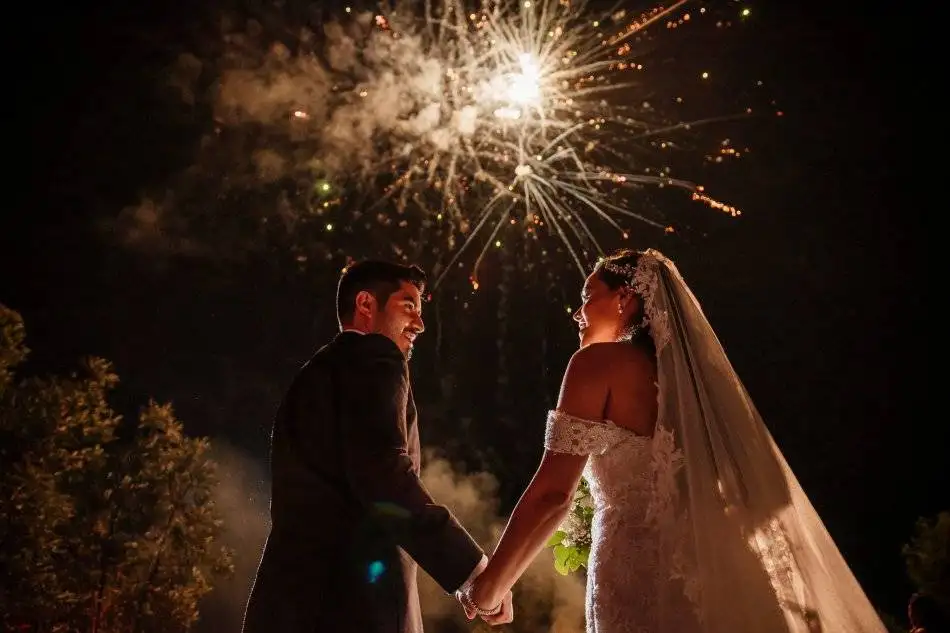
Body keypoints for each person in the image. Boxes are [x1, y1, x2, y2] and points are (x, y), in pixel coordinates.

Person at [459, 248, 888, 632]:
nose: (579, 313)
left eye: (589, 297)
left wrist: (489, 588)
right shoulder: (697, 387)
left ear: (625, 299)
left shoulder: (596, 364)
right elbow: (770, 491)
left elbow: (554, 494)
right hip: (726, 578)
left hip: (641, 580)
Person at [242, 260, 512, 633]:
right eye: (408, 306)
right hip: (356, 606)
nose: (420, 323)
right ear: (366, 304)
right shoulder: (377, 358)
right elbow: (384, 476)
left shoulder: (311, 375)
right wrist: (470, 569)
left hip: (286, 605)